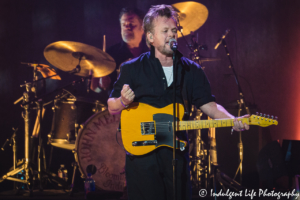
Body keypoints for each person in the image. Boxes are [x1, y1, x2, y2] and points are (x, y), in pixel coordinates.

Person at [107, 5, 249, 200]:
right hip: (142, 158)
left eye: (173, 31)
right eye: (164, 31)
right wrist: (123, 101)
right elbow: (111, 106)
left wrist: (233, 119)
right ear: (150, 37)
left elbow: (209, 105)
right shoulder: (132, 68)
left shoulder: (191, 70)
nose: (170, 35)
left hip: (176, 154)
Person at [90, 7, 149, 95]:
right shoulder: (110, 54)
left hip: (148, 106)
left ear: (143, 28)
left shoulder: (153, 52)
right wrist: (102, 87)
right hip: (119, 107)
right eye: (124, 24)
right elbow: (95, 89)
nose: (127, 27)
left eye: (131, 24)